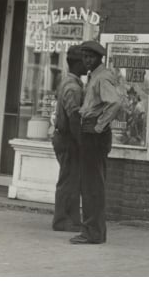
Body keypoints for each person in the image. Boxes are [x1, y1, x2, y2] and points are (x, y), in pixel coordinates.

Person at [71, 40, 123, 245]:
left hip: (94, 134)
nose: (86, 60)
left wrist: (99, 125)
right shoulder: (94, 76)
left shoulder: (101, 78)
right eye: (84, 57)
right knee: (90, 183)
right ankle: (93, 231)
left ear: (99, 58)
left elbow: (115, 102)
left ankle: (92, 233)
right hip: (89, 130)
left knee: (92, 185)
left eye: (90, 57)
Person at [50, 45, 85, 231]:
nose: (88, 63)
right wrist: (81, 141)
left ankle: (72, 218)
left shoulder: (67, 82)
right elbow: (73, 118)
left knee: (72, 178)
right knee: (68, 180)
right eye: (84, 60)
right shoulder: (73, 88)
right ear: (77, 64)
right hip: (68, 139)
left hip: (63, 137)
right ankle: (61, 220)